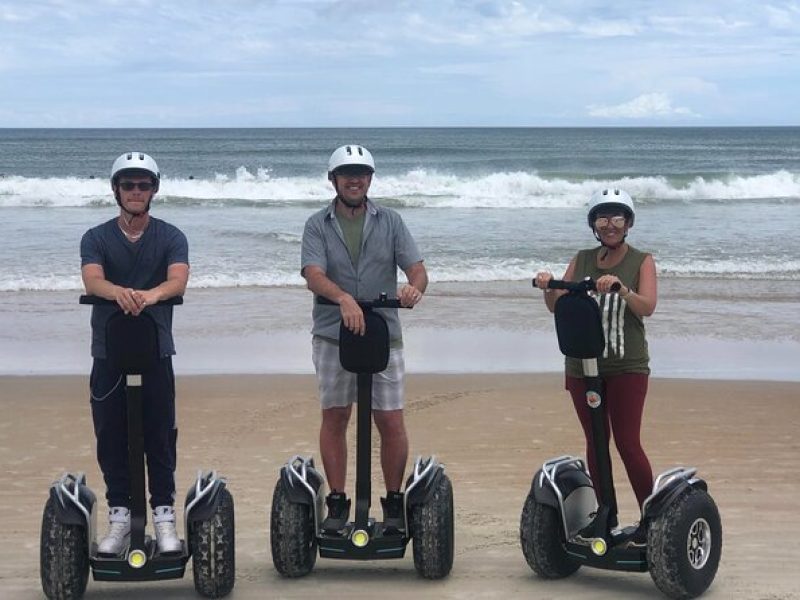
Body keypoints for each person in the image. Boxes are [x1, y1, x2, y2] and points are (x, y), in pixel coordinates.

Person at [300, 144, 428, 533]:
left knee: (389, 420)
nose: (354, 179)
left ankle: (392, 503)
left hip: (382, 334)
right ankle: (338, 501)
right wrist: (342, 298)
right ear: (333, 180)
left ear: (370, 179)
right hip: (332, 334)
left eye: (361, 173)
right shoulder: (316, 224)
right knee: (336, 416)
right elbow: (312, 273)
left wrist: (413, 288)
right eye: (346, 173)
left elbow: (418, 270)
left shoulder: (390, 221)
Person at [80, 152, 189, 555]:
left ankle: (163, 516)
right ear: (116, 190)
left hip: (156, 350)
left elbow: (177, 280)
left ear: (154, 190)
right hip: (108, 352)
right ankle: (121, 517)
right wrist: (119, 293)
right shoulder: (96, 237)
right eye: (129, 185)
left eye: (144, 185)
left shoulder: (171, 236)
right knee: (112, 437)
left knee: (159, 435)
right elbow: (92, 280)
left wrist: (151, 295)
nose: (137, 192)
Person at [535, 188, 656, 523]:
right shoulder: (582, 258)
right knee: (596, 441)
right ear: (594, 224)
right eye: (602, 218)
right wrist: (549, 286)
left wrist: (622, 289)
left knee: (628, 443)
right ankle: (607, 515)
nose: (610, 224)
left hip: (626, 366)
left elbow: (648, 306)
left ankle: (653, 518)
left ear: (628, 223)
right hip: (582, 366)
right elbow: (557, 304)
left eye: (617, 217)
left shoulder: (641, 260)